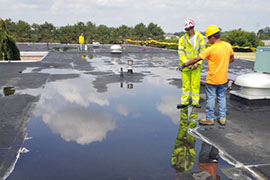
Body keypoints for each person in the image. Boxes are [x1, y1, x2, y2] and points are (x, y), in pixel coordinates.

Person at [179, 25, 234, 126]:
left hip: (212, 79)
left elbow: (196, 59)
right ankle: (222, 118)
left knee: (211, 98)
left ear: (212, 37)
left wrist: (184, 64)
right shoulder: (228, 46)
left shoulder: (211, 49)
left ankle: (210, 119)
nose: (208, 40)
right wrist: (223, 64)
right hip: (223, 79)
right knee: (221, 97)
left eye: (208, 38)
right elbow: (232, 58)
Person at [177, 18, 206, 109]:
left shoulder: (200, 37)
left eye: (188, 29)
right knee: (185, 85)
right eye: (186, 29)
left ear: (193, 27)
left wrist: (198, 62)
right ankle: (184, 102)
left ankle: (195, 102)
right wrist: (187, 63)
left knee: (195, 84)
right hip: (186, 66)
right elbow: (181, 52)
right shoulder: (182, 39)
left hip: (196, 66)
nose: (187, 31)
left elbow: (202, 51)